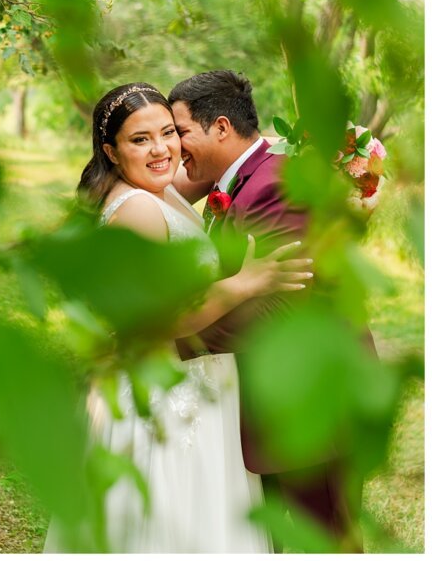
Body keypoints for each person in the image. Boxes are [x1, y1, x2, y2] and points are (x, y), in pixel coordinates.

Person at [44, 82, 311, 552]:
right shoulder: (138, 209)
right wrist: (243, 283)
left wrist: (342, 161)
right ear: (111, 149)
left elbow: (236, 158)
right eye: (140, 139)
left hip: (197, 385)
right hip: (169, 399)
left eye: (169, 132)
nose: (162, 149)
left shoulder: (159, 189)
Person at [168, 70, 373, 551]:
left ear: (220, 127)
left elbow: (276, 306)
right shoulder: (243, 179)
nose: (176, 148)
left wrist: (174, 338)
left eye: (180, 133)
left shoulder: (273, 184)